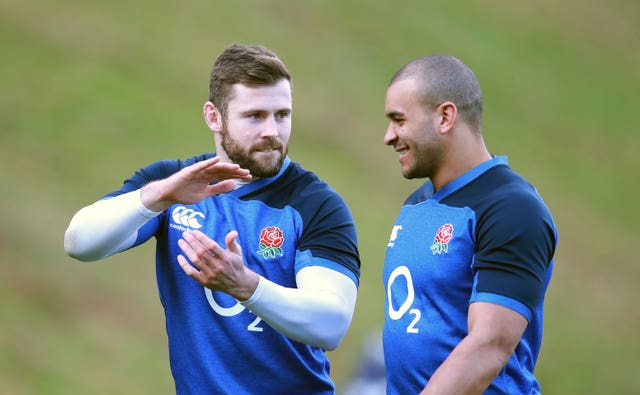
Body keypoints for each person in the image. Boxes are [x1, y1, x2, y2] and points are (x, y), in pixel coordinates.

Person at [64, 43, 360, 395]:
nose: (272, 131)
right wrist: (159, 196)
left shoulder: (315, 205)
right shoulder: (172, 185)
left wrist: (246, 287)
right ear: (213, 116)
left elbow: (330, 325)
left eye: (282, 115)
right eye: (255, 116)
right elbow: (79, 243)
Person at [381, 54, 557, 394]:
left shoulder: (511, 209)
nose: (389, 136)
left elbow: (489, 344)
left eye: (399, 120)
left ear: (445, 117)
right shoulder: (416, 205)